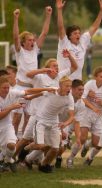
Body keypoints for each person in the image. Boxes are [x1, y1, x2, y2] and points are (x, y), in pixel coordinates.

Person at [14, 50, 77, 165]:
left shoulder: (60, 77)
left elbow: (74, 67)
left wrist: (69, 57)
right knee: (25, 139)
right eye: (54, 66)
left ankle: (34, 161)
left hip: (52, 117)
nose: (56, 67)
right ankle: (12, 159)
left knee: (50, 144)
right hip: (37, 114)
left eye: (57, 66)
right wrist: (44, 70)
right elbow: (28, 75)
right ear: (48, 67)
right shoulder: (41, 77)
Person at [0, 77, 56, 173]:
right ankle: (6, 161)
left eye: (7, 87)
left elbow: (28, 91)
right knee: (8, 147)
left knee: (12, 145)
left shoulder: (12, 93)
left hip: (7, 126)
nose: (6, 90)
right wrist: (11, 107)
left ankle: (8, 160)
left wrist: (46, 89)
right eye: (3, 88)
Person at [13, 7, 52, 138]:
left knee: (28, 117)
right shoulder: (20, 51)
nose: (32, 42)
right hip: (20, 87)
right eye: (29, 40)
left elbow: (44, 33)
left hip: (32, 88)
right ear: (23, 42)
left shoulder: (35, 49)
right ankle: (12, 139)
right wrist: (16, 18)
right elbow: (15, 37)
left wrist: (47, 15)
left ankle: (23, 142)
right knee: (17, 117)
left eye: (32, 40)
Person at [56, 0, 102, 80]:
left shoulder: (83, 41)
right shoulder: (64, 43)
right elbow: (61, 28)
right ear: (69, 36)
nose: (78, 35)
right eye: (75, 33)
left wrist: (101, 11)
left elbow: (94, 27)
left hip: (77, 82)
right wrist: (59, 10)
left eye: (79, 33)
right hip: (63, 81)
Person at [79, 66, 102, 165]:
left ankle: (86, 146)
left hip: (98, 116)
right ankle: (70, 159)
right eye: (101, 76)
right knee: (82, 138)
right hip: (86, 113)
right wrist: (93, 107)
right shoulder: (89, 84)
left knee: (95, 143)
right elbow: (83, 98)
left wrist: (101, 103)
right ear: (95, 77)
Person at [55, 79, 86, 169]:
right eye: (79, 90)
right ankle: (31, 159)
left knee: (61, 147)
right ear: (72, 89)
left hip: (65, 124)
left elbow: (77, 122)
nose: (81, 92)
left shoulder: (81, 104)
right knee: (51, 145)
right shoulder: (65, 97)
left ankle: (59, 156)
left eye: (82, 90)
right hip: (53, 121)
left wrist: (78, 139)